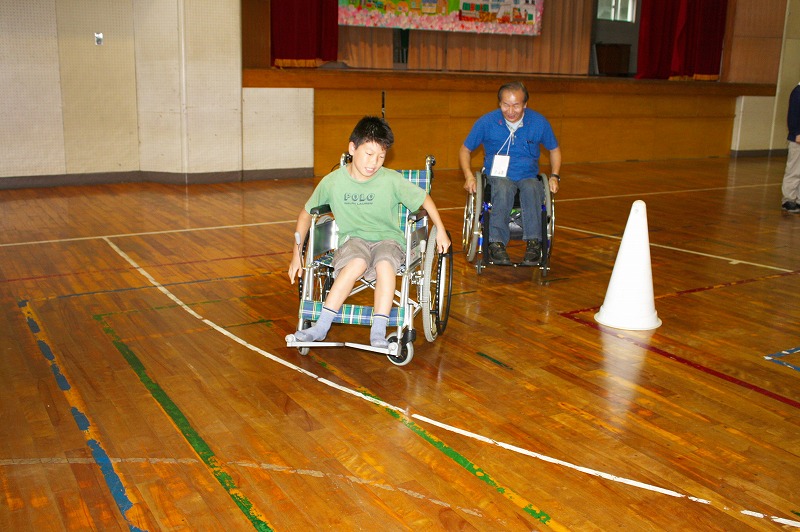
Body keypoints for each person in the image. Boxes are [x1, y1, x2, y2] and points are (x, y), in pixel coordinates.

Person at [288, 116, 450, 347]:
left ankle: (378, 332)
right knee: (356, 263)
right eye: (369, 154)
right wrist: (297, 255)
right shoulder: (332, 182)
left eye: (381, 157)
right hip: (353, 240)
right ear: (352, 148)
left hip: (389, 241)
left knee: (385, 265)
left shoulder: (391, 180)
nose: (374, 163)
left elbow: (425, 199)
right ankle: (321, 327)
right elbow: (306, 215)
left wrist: (441, 230)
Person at [460, 81, 561, 265]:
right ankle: (496, 243)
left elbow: (554, 149)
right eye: (506, 105)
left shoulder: (538, 122)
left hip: (527, 175)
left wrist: (554, 176)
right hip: (498, 176)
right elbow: (465, 150)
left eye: (516, 105)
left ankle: (534, 243)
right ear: (499, 103)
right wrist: (468, 175)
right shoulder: (487, 122)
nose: (511, 110)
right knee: (504, 187)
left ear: (525, 105)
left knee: (532, 187)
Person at [781, 82, 800, 213]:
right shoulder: (798, 92)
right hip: (798, 138)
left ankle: (798, 198)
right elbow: (793, 115)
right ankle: (788, 199)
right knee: (794, 169)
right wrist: (796, 132)